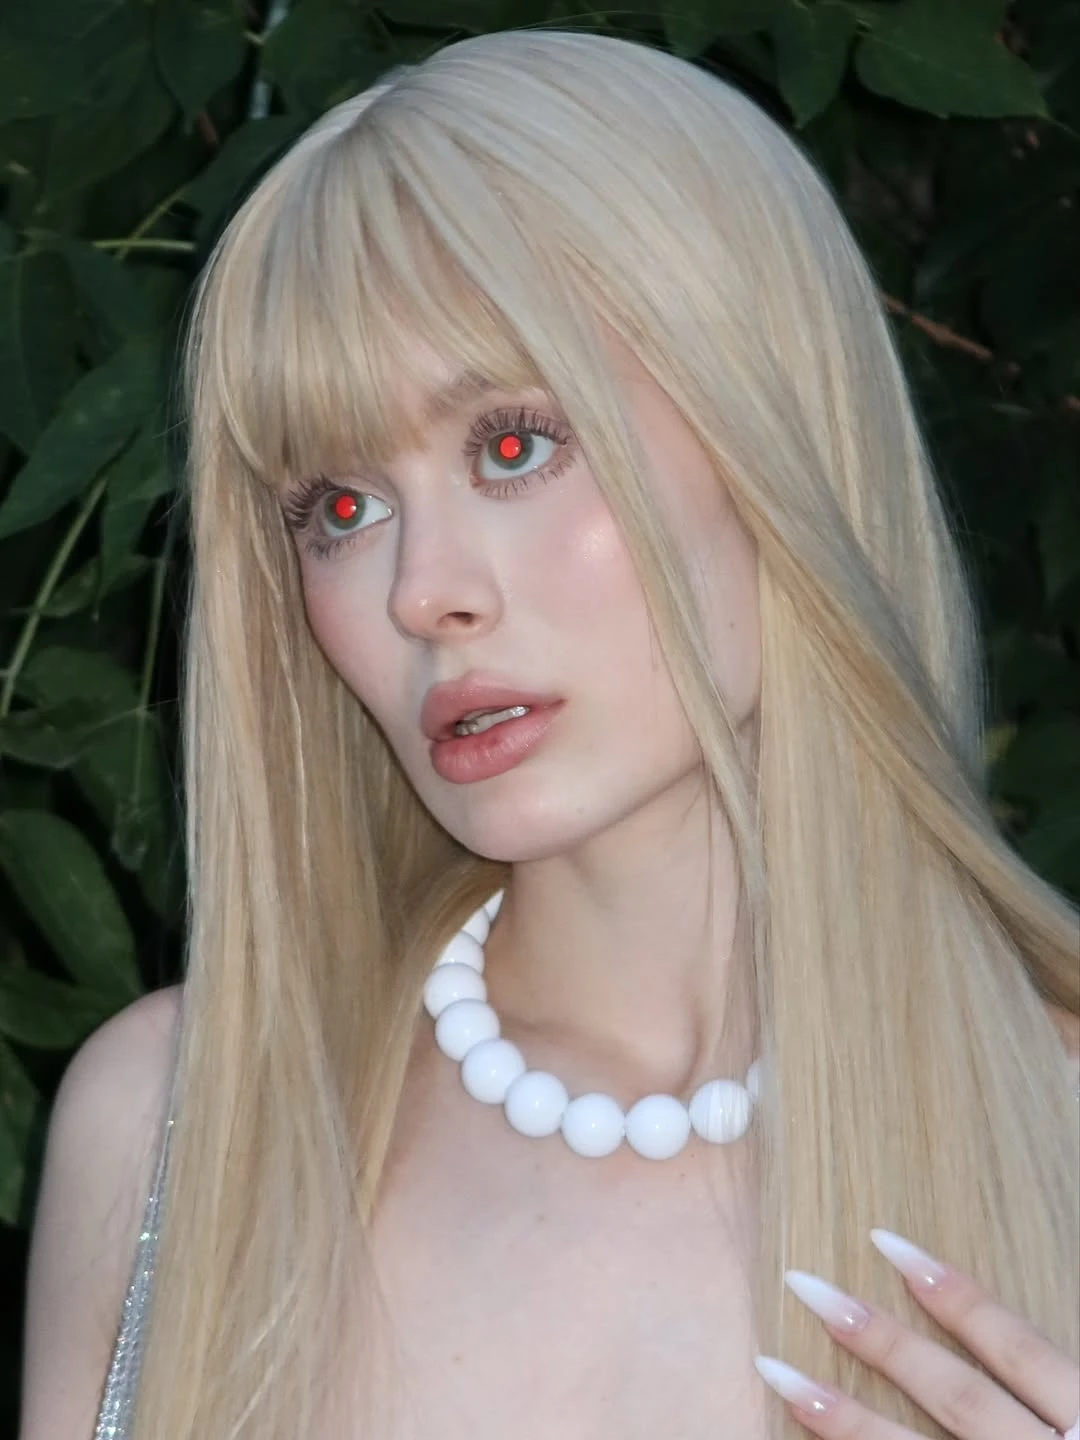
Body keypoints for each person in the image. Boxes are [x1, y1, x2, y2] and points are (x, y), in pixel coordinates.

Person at [17, 27, 1079, 1440]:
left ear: (776, 423)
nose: (422, 591)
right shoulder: (173, 1125)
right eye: (340, 508)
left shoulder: (1055, 1130)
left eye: (512, 445)